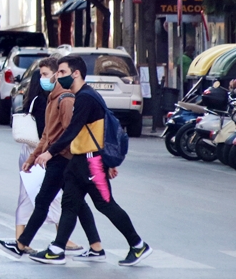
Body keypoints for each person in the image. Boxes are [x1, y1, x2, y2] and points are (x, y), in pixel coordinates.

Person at [30, 55, 151, 267]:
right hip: (81, 161)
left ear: (76, 74)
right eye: (58, 72)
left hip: (92, 163)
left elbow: (73, 130)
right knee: (70, 203)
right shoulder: (84, 96)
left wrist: (50, 152)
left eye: (62, 72)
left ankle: (138, 244)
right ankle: (57, 249)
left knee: (105, 204)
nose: (59, 76)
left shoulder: (85, 97)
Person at [0, 57, 101, 259]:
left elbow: (69, 132)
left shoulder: (65, 99)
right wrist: (34, 156)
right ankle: (96, 246)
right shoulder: (52, 98)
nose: (42, 79)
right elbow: (46, 134)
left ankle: (25, 244)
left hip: (63, 160)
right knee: (76, 204)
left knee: (49, 200)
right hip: (57, 159)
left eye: (46, 74)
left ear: (57, 75)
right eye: (41, 75)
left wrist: (51, 153)